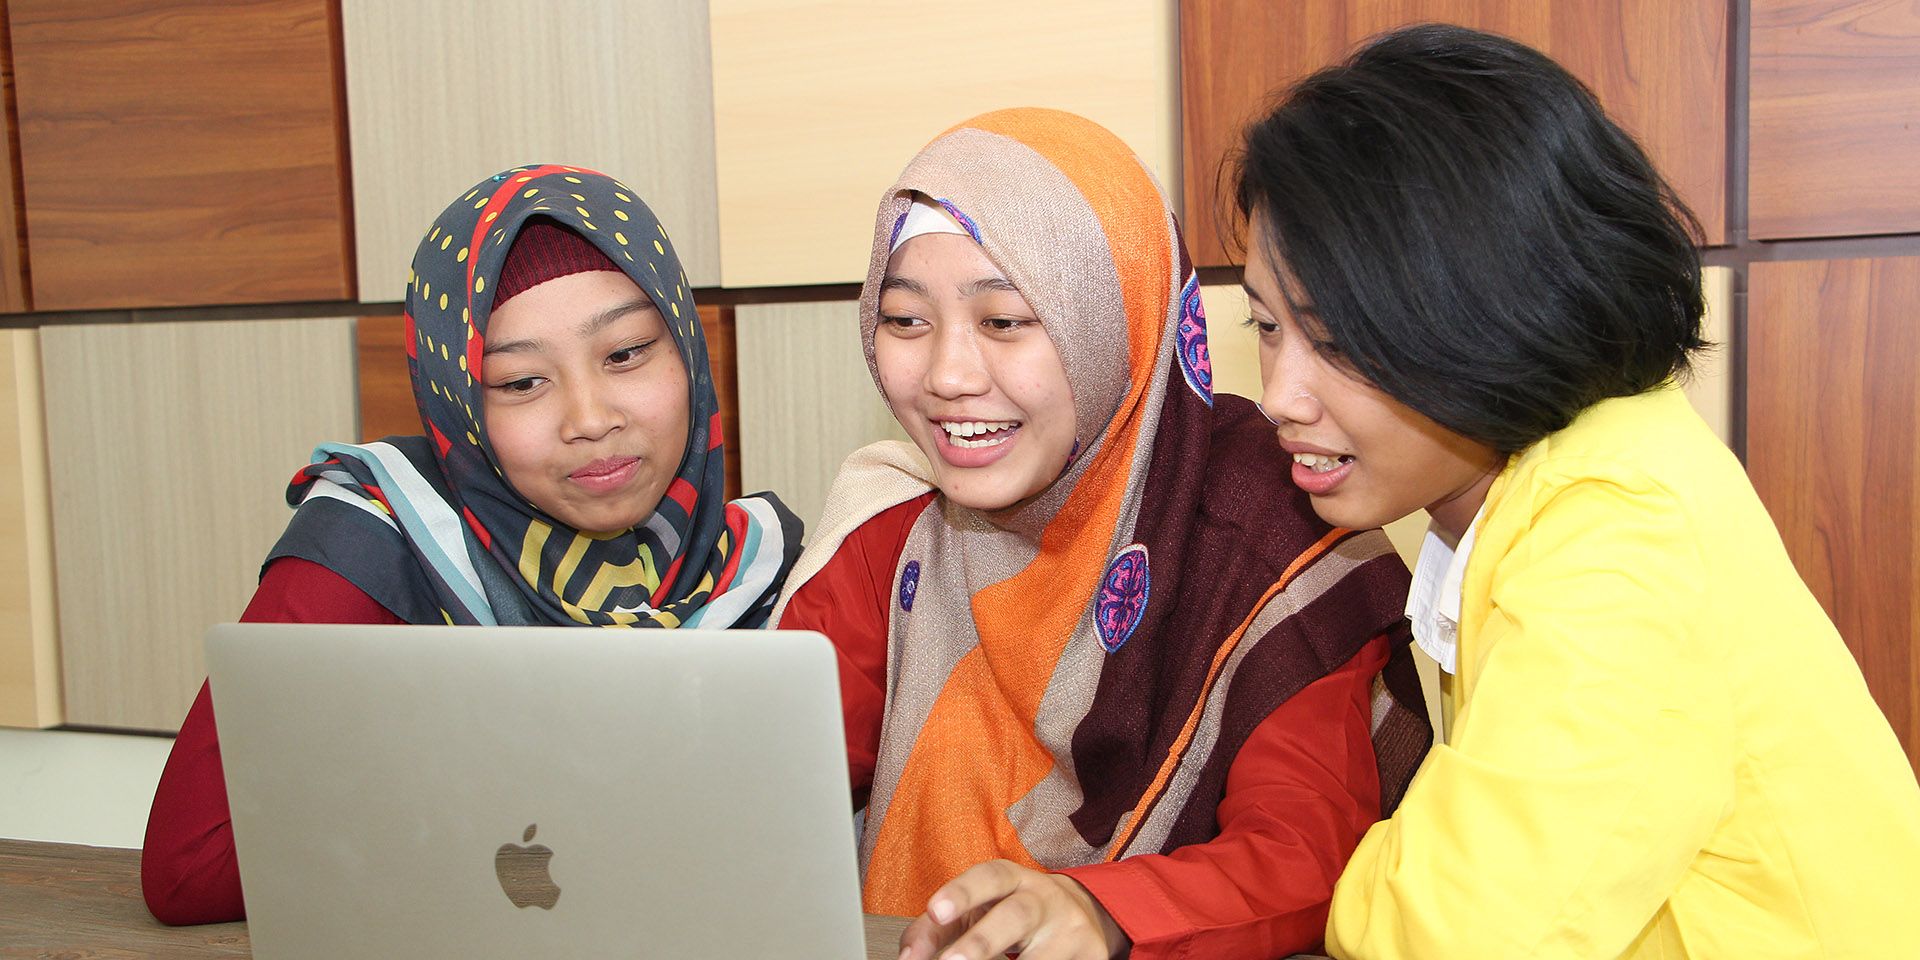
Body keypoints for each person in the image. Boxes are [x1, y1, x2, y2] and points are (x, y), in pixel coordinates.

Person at [1229, 24, 1920, 959]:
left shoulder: (1618, 532)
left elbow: (1452, 938)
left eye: (1340, 340)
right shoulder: (1549, 488)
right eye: (1268, 327)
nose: (1279, 396)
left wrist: (1362, 884)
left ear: (1493, 312)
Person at [775, 108, 1431, 960]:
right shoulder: (897, 525)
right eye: (905, 321)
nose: (946, 375)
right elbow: (764, 791)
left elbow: (1303, 857)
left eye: (1005, 320)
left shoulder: (1269, 537)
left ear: (1116, 321)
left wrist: (1104, 913)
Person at [141, 164, 802, 925]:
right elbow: (189, 872)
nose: (589, 418)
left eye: (625, 354)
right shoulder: (375, 539)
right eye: (520, 382)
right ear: (457, 404)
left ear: (687, 349)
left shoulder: (754, 566)